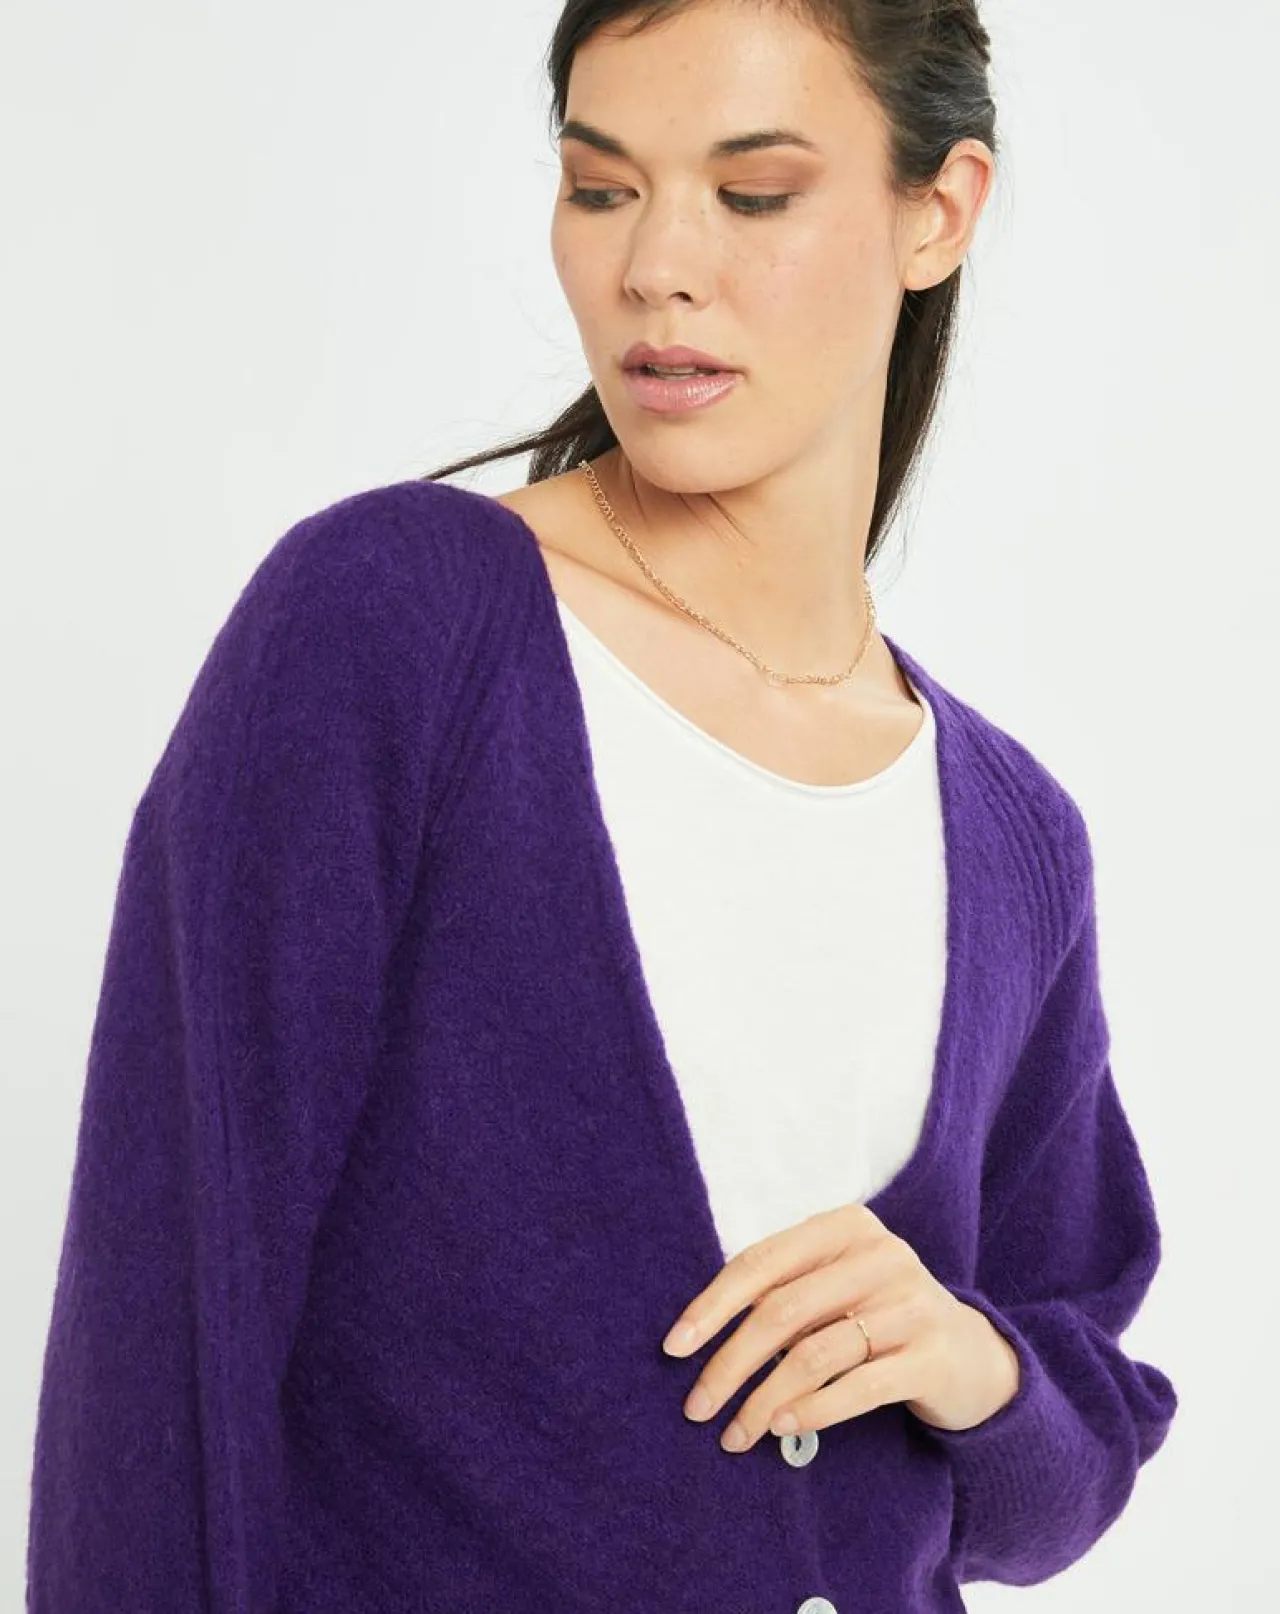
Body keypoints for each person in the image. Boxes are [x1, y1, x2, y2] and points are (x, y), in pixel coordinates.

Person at [27, 3, 1178, 1611]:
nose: (655, 267)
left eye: (754, 192)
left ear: (940, 210)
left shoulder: (1012, 834)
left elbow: (1062, 1468)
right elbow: (161, 1352)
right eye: (601, 187)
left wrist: (973, 1361)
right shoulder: (390, 630)